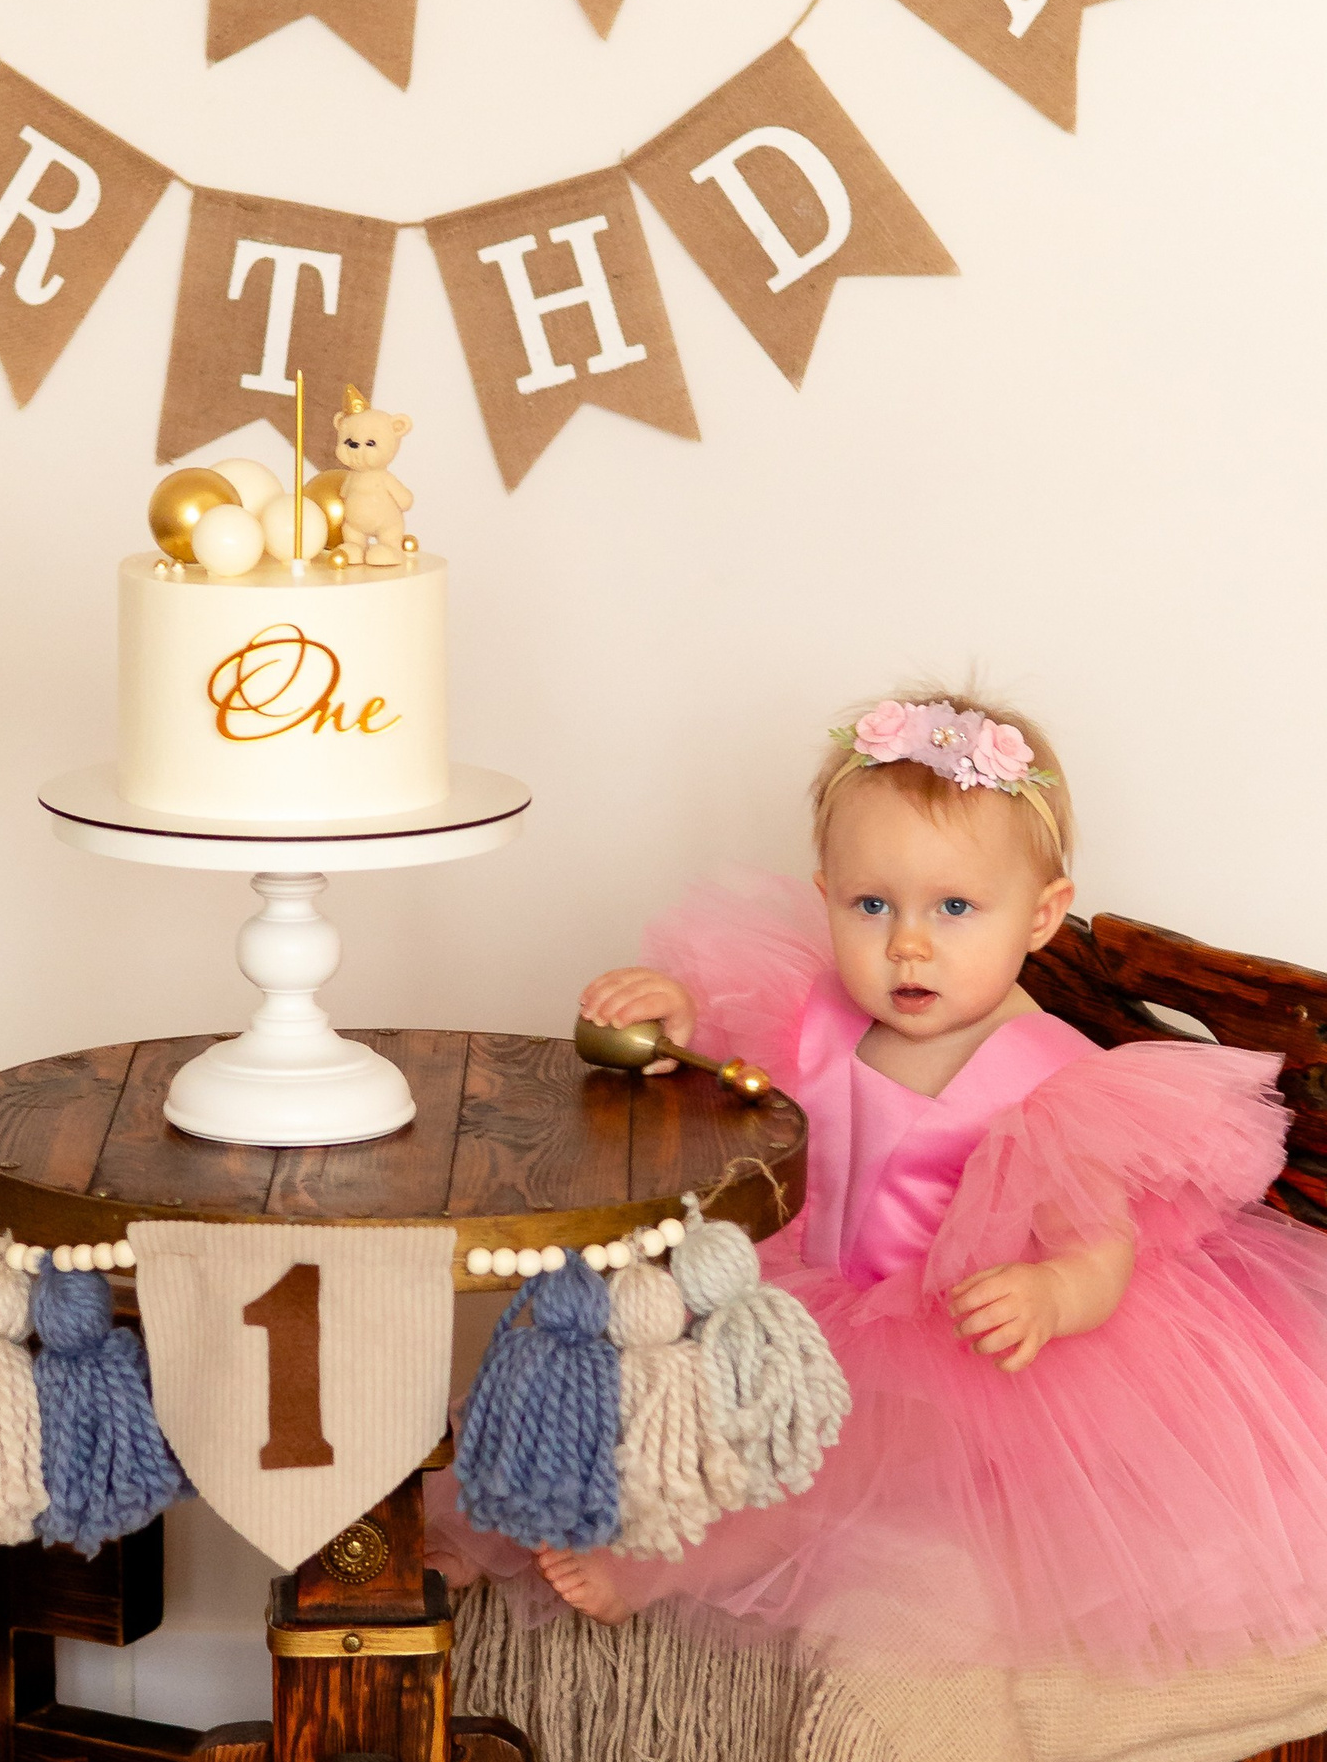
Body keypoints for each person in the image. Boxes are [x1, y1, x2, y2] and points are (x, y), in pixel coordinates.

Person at [430, 691, 1327, 1675]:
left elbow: (1101, 1252)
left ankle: (667, 1560)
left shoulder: (1053, 1083)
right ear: (827, 897)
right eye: (872, 906)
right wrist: (677, 1022)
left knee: (829, 1442)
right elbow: (730, 1087)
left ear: (1041, 915)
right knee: (615, 1367)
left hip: (943, 1345)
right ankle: (483, 1522)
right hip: (797, 1290)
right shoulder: (811, 1008)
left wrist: (1049, 1294)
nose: (908, 943)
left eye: (955, 909)